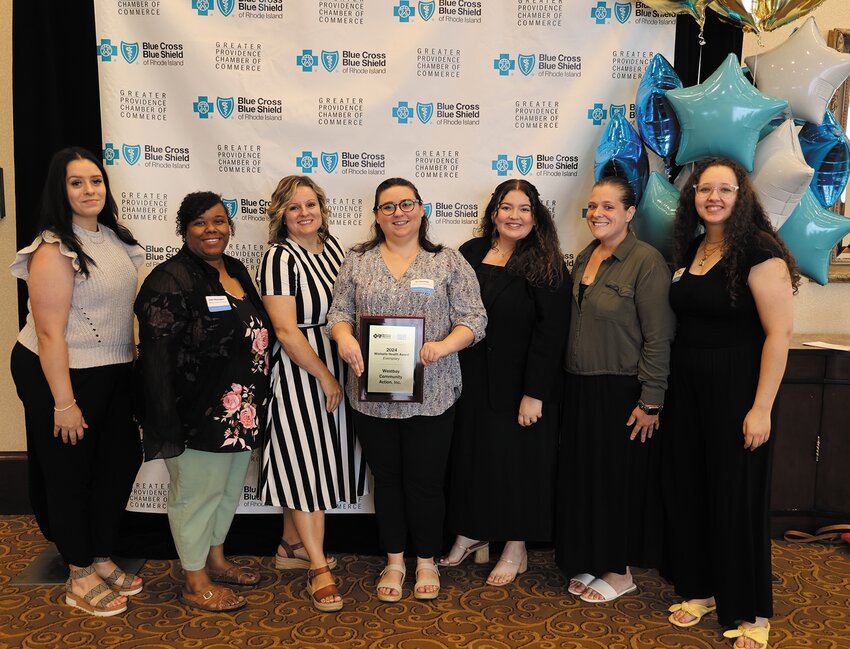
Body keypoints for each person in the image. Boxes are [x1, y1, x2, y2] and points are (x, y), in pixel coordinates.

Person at [327, 178, 487, 602]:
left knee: (427, 482)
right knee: (389, 480)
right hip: (371, 395)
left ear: (421, 209)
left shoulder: (447, 262)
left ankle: (427, 560)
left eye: (406, 204)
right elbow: (339, 312)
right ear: (377, 215)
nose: (398, 213)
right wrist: (344, 339)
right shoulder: (357, 260)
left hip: (433, 392)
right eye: (387, 207)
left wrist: (444, 345)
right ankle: (395, 561)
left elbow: (475, 319)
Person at [663, 158, 798, 649]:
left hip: (740, 391)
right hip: (689, 392)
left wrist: (761, 407)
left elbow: (779, 335)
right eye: (704, 189)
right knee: (693, 491)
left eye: (725, 189)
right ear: (693, 196)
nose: (713, 197)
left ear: (743, 197)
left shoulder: (760, 252)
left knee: (736, 501)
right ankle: (702, 591)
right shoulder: (696, 247)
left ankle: (752, 614)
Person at [10, 147, 144, 616]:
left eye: (96, 181)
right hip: (58, 371)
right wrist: (63, 403)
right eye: (77, 182)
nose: (90, 190)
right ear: (60, 190)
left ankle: (101, 555)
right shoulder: (53, 246)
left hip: (111, 367)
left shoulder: (110, 236)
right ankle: (79, 573)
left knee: (119, 460)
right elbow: (49, 332)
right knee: (69, 472)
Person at [134, 191, 271, 612]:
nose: (211, 230)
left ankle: (215, 560)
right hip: (194, 413)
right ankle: (194, 582)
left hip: (238, 412)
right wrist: (166, 421)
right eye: (200, 223)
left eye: (219, 221)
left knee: (226, 492)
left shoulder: (235, 269)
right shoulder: (170, 279)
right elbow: (155, 360)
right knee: (194, 496)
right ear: (184, 229)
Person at [442, 179, 571, 585]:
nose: (514, 216)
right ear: (493, 212)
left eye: (524, 209)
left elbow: (552, 335)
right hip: (472, 378)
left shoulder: (547, 262)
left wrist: (535, 394)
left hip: (522, 385)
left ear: (537, 217)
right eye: (506, 207)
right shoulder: (471, 252)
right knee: (474, 458)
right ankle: (472, 532)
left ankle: (516, 548)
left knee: (520, 466)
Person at [555, 175, 675, 603]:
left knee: (616, 484)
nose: (597, 214)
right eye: (592, 206)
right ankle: (594, 558)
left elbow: (660, 337)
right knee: (586, 481)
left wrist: (651, 400)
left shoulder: (646, 261)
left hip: (623, 391)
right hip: (579, 386)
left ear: (629, 212)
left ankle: (620, 572)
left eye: (608, 206)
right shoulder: (586, 256)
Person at [257, 175, 367, 612]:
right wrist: (324, 375)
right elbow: (284, 330)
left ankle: (289, 545)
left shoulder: (334, 247)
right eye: (294, 207)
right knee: (304, 464)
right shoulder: (279, 257)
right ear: (281, 215)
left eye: (310, 204)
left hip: (336, 362)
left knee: (315, 459)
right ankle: (318, 569)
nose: (304, 213)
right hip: (301, 369)